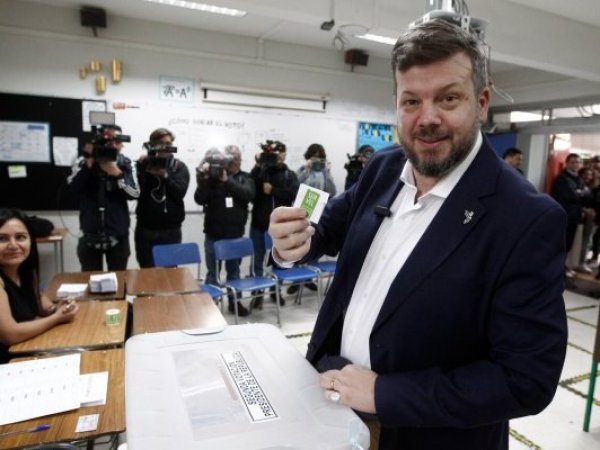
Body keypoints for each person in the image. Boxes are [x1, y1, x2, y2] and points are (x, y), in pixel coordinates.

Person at [268, 20, 567, 450]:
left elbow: (526, 379)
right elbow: (327, 229)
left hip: (427, 439)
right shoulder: (384, 167)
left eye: (448, 98)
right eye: (411, 101)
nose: (428, 119)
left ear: (482, 102)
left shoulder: (526, 219)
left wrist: (384, 394)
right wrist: (292, 241)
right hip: (330, 408)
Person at [0, 209, 79, 364]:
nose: (13, 245)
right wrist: (56, 318)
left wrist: (56, 308)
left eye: (20, 237)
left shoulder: (26, 269)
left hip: (28, 348)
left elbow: (39, 300)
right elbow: (9, 334)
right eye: (2, 239)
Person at [68, 125, 140, 271]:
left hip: (118, 235)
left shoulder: (126, 163)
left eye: (117, 141)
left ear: (122, 144)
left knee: (119, 279)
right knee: (90, 280)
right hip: (89, 234)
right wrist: (88, 167)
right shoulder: (82, 161)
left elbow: (134, 194)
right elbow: (72, 190)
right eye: (108, 141)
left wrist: (118, 174)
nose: (113, 145)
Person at [195, 146, 255, 316]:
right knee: (213, 273)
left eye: (237, 158)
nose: (234, 161)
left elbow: (249, 194)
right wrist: (204, 178)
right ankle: (211, 304)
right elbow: (199, 198)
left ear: (240, 160)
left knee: (234, 273)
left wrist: (228, 181)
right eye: (231, 158)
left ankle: (234, 303)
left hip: (235, 236)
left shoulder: (245, 178)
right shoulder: (213, 178)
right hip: (213, 235)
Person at [250, 140, 299, 308]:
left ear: (285, 154)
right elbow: (250, 187)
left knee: (279, 260)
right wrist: (258, 165)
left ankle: (275, 291)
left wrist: (274, 190)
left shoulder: (289, 174)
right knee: (258, 261)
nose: (277, 156)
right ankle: (257, 294)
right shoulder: (261, 172)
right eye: (274, 153)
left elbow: (294, 193)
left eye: (280, 152)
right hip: (259, 225)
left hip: (281, 227)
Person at [135, 128, 190, 268]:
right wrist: (143, 170)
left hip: (171, 231)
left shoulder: (179, 167)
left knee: (170, 273)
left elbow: (180, 193)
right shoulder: (143, 165)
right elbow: (136, 192)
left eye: (169, 143)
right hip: (145, 230)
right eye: (161, 143)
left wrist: (165, 176)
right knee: (147, 272)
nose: (165, 147)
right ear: (152, 145)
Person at [288, 143, 337, 295]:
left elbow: (332, 191)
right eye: (314, 157)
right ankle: (296, 281)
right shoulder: (303, 170)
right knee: (299, 245)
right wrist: (306, 169)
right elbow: (295, 186)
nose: (316, 160)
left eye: (319, 157)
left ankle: (309, 279)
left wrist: (328, 173)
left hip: (318, 213)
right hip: (301, 211)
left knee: (314, 243)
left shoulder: (324, 172)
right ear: (308, 157)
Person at [552, 153, 588, 276]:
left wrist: (580, 193)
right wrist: (581, 193)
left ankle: (563, 267)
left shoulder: (579, 179)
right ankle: (556, 269)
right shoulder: (561, 179)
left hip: (575, 217)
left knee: (568, 244)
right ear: (567, 163)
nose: (576, 164)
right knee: (560, 244)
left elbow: (588, 196)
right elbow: (571, 196)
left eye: (578, 162)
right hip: (563, 216)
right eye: (573, 162)